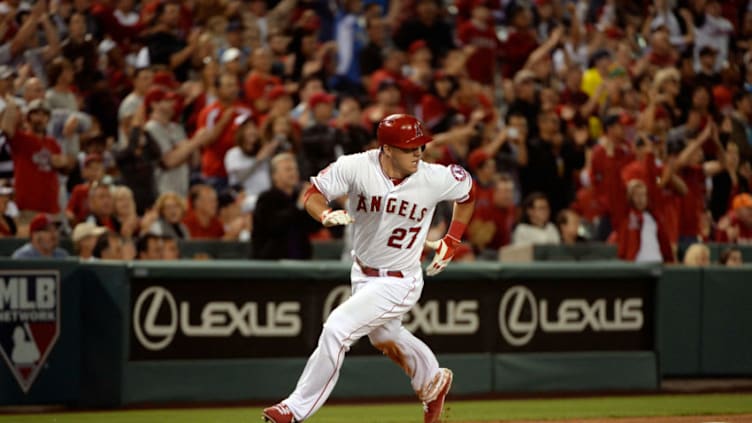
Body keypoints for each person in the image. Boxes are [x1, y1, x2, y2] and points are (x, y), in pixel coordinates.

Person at [262, 114, 475, 423]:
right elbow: (312, 194)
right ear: (387, 149)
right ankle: (431, 381)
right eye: (409, 147)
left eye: (420, 146)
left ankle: (293, 410)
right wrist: (324, 214)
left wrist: (452, 239)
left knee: (337, 328)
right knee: (384, 336)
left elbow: (467, 193)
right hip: (362, 273)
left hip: (400, 280)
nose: (418, 153)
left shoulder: (434, 176)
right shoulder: (356, 166)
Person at [252, 153, 320, 259]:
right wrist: (298, 206)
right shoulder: (266, 199)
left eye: (295, 169)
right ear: (274, 176)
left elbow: (313, 228)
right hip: (272, 265)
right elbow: (274, 225)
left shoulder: (297, 197)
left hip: (301, 262)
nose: (293, 173)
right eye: (288, 169)